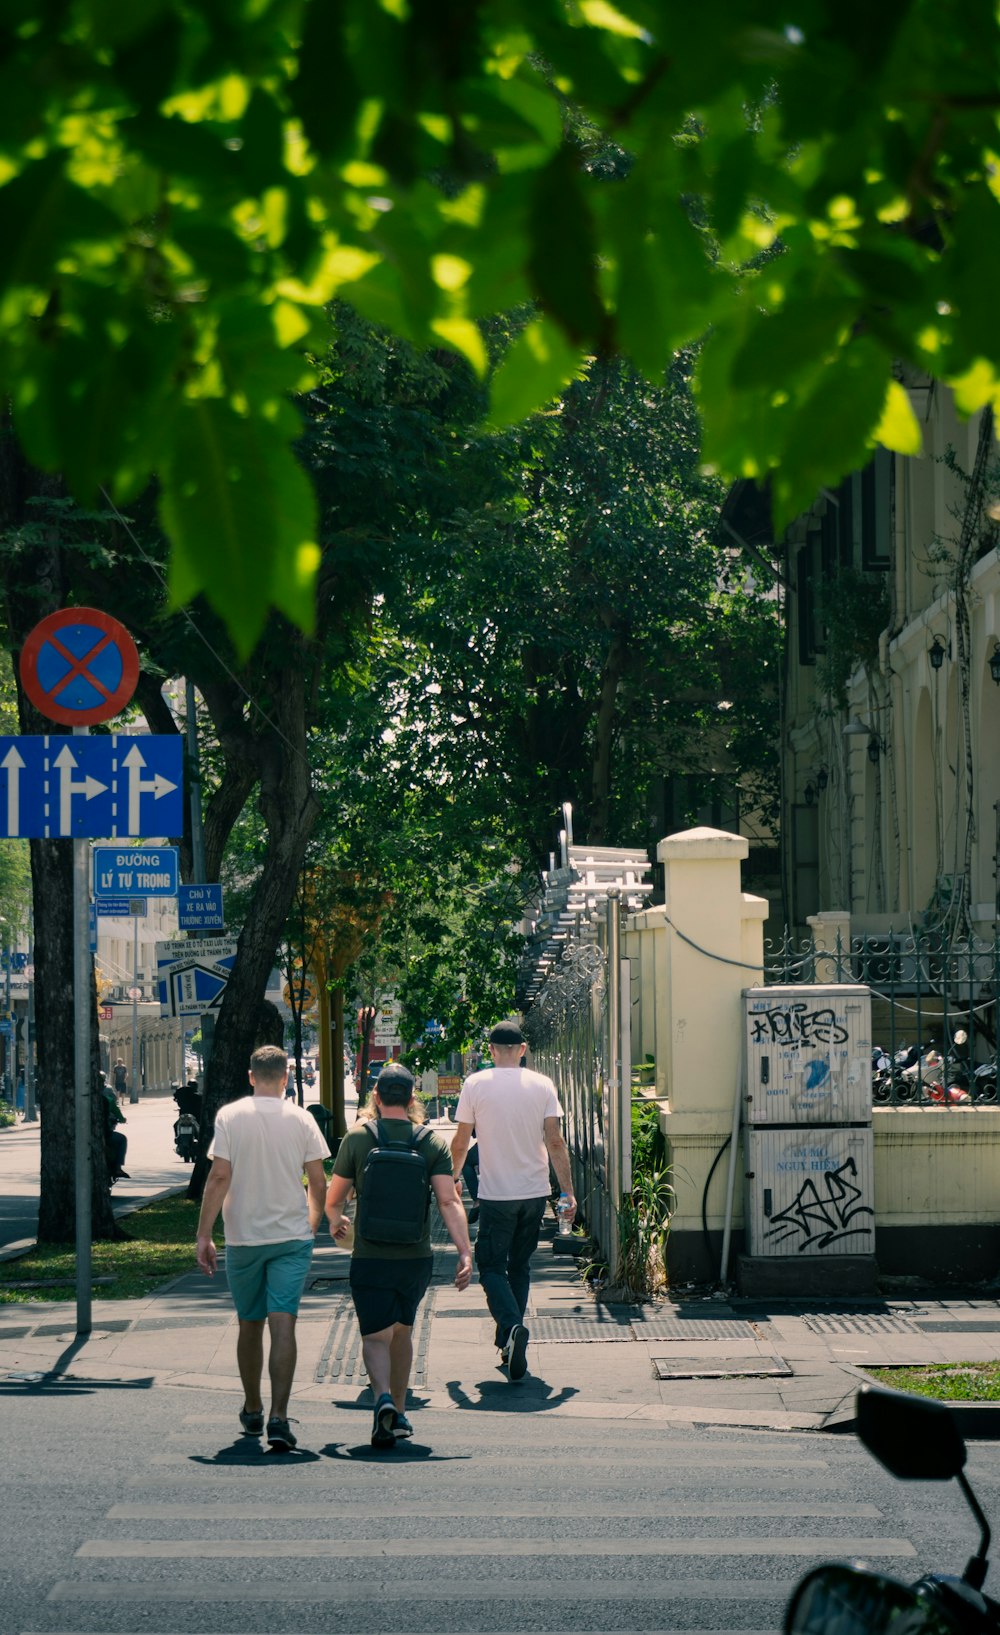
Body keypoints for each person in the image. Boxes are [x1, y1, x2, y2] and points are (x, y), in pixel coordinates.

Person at [325, 1062, 472, 1449]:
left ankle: (383, 1400)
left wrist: (335, 1219)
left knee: (375, 1337)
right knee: (402, 1332)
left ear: (375, 1097)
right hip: (415, 1258)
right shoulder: (430, 1143)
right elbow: (447, 1200)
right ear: (411, 1099)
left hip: (370, 1255)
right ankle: (400, 1414)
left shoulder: (357, 1138)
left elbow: (334, 1199)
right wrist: (465, 1252)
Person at [195, 1044, 332, 1451]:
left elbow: (219, 1177)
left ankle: (252, 1407)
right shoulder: (302, 1119)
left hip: (243, 1238)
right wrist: (310, 1224)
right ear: (286, 1077)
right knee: (283, 1322)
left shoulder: (230, 1117)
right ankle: (280, 1417)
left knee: (250, 1323)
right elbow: (319, 1181)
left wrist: (204, 1234)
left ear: (251, 1076)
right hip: (290, 1237)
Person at [449, 1020, 576, 1383]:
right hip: (535, 1195)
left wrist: (453, 1178)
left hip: (495, 1196)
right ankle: (509, 1341)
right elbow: (555, 1142)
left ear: (490, 1050)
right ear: (522, 1050)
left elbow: (460, 1142)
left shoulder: (475, 1084)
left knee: (491, 1268)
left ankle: (511, 1326)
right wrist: (566, 1193)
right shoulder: (543, 1085)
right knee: (519, 1267)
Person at [100, 1075, 129, 1180]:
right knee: (122, 1139)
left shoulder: (80, 1097)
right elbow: (118, 1114)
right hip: (104, 1134)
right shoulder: (108, 1100)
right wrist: (122, 1119)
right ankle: (118, 1167)